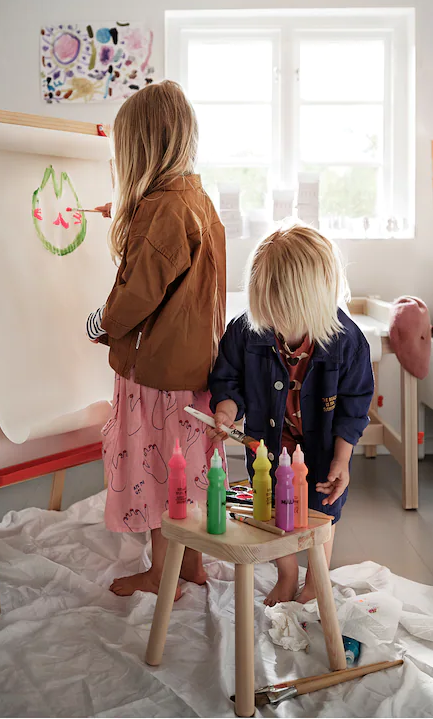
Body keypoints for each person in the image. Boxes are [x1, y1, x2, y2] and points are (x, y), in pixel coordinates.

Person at [87, 81, 227, 599]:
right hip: (193, 373)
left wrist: (102, 323)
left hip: (156, 378)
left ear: (141, 149)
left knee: (158, 474)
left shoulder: (162, 210)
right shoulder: (196, 201)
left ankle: (160, 575)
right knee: (185, 474)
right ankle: (191, 565)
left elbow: (138, 295)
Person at [207, 221, 373, 605]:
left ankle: (315, 580)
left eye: (287, 314)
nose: (277, 323)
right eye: (269, 313)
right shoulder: (244, 332)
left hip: (324, 447)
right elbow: (227, 379)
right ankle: (286, 576)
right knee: (270, 509)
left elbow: (354, 405)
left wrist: (342, 459)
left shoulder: (347, 341)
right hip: (269, 446)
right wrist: (226, 410)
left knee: (321, 512)